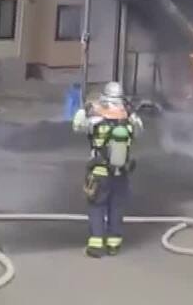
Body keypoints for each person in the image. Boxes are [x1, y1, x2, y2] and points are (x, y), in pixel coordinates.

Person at [72, 81, 143, 257]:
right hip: (121, 172)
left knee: (97, 207)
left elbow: (77, 126)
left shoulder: (96, 118)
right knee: (116, 207)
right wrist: (132, 112)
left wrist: (84, 109)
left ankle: (96, 245)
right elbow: (140, 130)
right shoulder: (127, 119)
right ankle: (114, 244)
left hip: (99, 171)